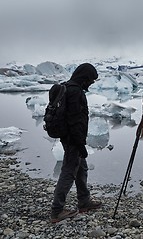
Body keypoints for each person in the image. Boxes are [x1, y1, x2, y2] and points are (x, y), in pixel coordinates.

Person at [50, 63, 102, 223]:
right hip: (73, 139)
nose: (91, 83)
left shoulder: (69, 87)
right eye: (91, 80)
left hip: (70, 138)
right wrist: (80, 145)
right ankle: (57, 211)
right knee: (68, 172)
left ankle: (84, 201)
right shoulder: (75, 92)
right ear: (84, 77)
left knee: (81, 168)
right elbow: (75, 121)